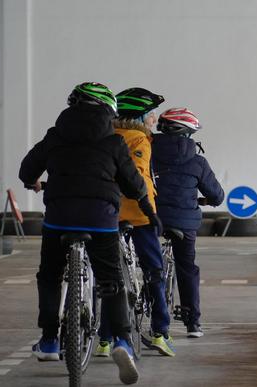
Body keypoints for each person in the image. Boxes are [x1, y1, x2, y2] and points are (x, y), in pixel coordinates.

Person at [19, 82, 160, 385]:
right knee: (112, 280)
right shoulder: (113, 141)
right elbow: (134, 183)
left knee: (49, 276)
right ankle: (122, 341)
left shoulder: (55, 135)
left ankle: (48, 340)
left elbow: (26, 169)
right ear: (108, 110)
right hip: (101, 218)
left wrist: (32, 181)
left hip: (59, 217)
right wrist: (149, 212)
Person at [94, 87, 176, 357]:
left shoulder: (105, 136)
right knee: (154, 271)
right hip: (139, 215)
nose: (154, 120)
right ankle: (161, 332)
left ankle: (105, 339)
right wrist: (150, 212)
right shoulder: (138, 140)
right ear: (138, 117)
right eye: (150, 115)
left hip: (107, 214)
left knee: (111, 278)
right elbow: (138, 177)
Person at [152, 107, 225, 338]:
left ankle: (152, 316)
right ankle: (193, 323)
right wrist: (206, 200)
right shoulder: (197, 162)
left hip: (152, 219)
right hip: (184, 223)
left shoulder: (148, 153)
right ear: (188, 134)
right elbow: (217, 195)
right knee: (187, 268)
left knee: (150, 267)